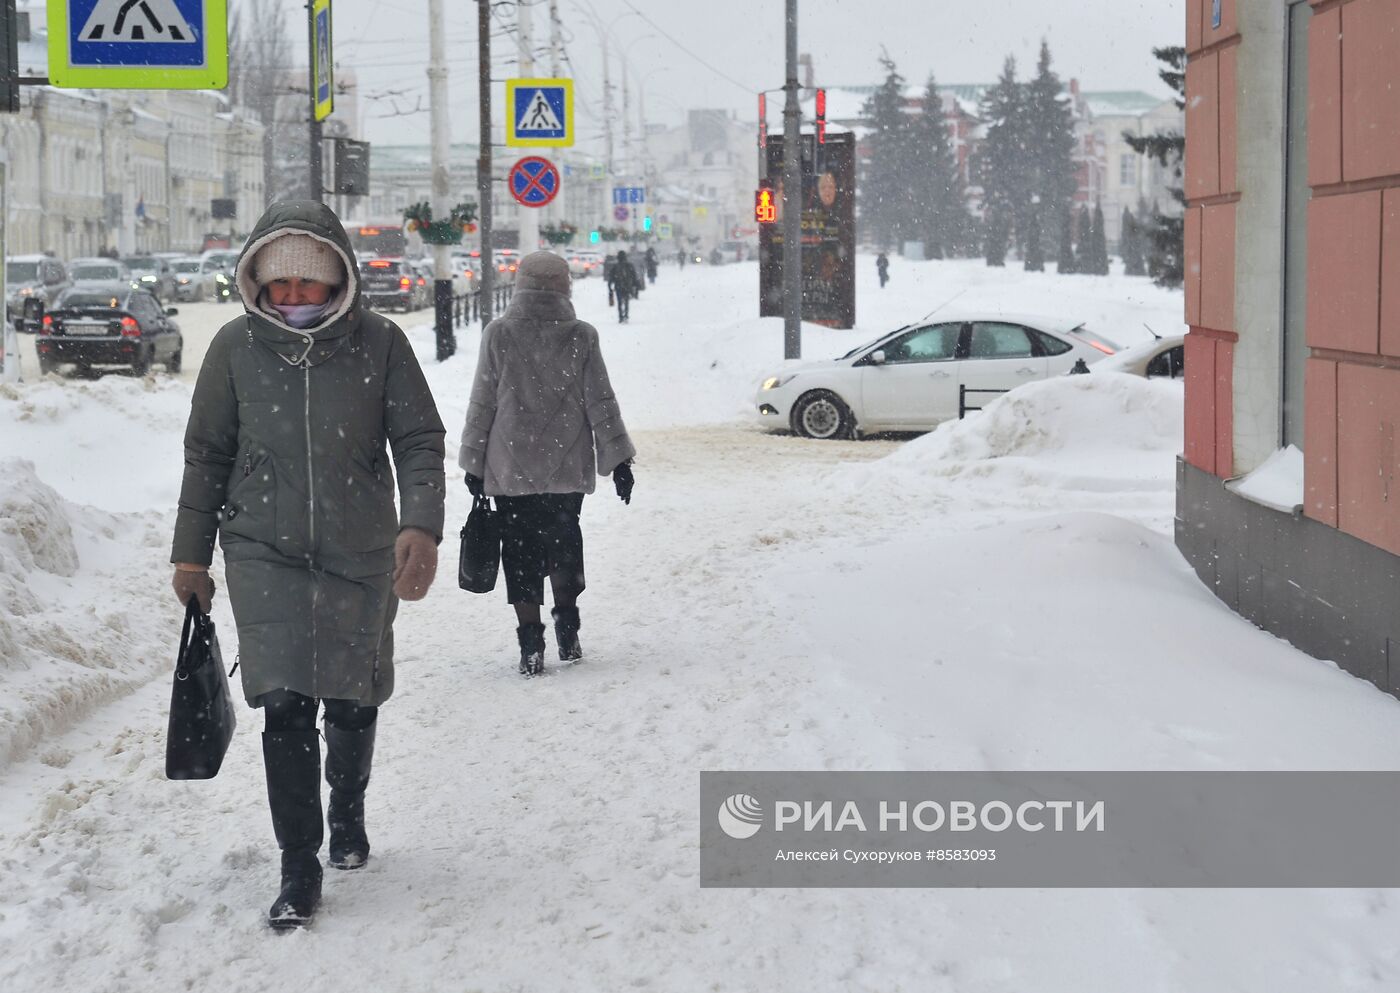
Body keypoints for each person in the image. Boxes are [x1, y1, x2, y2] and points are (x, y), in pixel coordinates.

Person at [170, 200, 446, 931]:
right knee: (285, 701)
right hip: (264, 548)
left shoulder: (381, 344)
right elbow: (208, 454)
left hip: (361, 548)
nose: (292, 296)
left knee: (354, 697)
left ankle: (346, 806)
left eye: (309, 284)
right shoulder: (234, 348)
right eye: (279, 283)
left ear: (338, 281)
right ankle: (300, 860)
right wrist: (191, 552)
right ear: (257, 280)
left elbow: (419, 438)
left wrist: (420, 524)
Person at [459, 251, 635, 677]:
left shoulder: (499, 334)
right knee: (564, 545)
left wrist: (474, 462)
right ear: (564, 286)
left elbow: (482, 402)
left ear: (520, 285)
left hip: (510, 465)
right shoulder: (581, 336)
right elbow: (601, 401)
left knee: (519, 553)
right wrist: (619, 460)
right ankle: (567, 628)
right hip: (566, 464)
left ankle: (531, 642)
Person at [608, 249, 641, 323]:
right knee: (626, 301)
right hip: (627, 286)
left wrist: (610, 287)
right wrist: (636, 286)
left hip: (618, 286)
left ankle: (620, 317)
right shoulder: (629, 266)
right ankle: (626, 315)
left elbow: (611, 278)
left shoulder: (615, 266)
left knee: (619, 302)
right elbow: (634, 276)